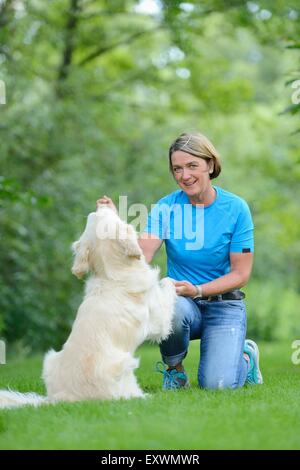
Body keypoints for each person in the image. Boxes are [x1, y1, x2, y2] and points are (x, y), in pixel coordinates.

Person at [96, 131, 263, 391]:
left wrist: (199, 289)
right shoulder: (166, 208)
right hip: (183, 304)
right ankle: (175, 371)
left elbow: (240, 274)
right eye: (177, 168)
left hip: (225, 307)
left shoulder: (236, 208)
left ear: (210, 164)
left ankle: (244, 357)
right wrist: (117, 225)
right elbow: (140, 256)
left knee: (218, 385)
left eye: (192, 166)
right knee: (169, 301)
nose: (184, 176)